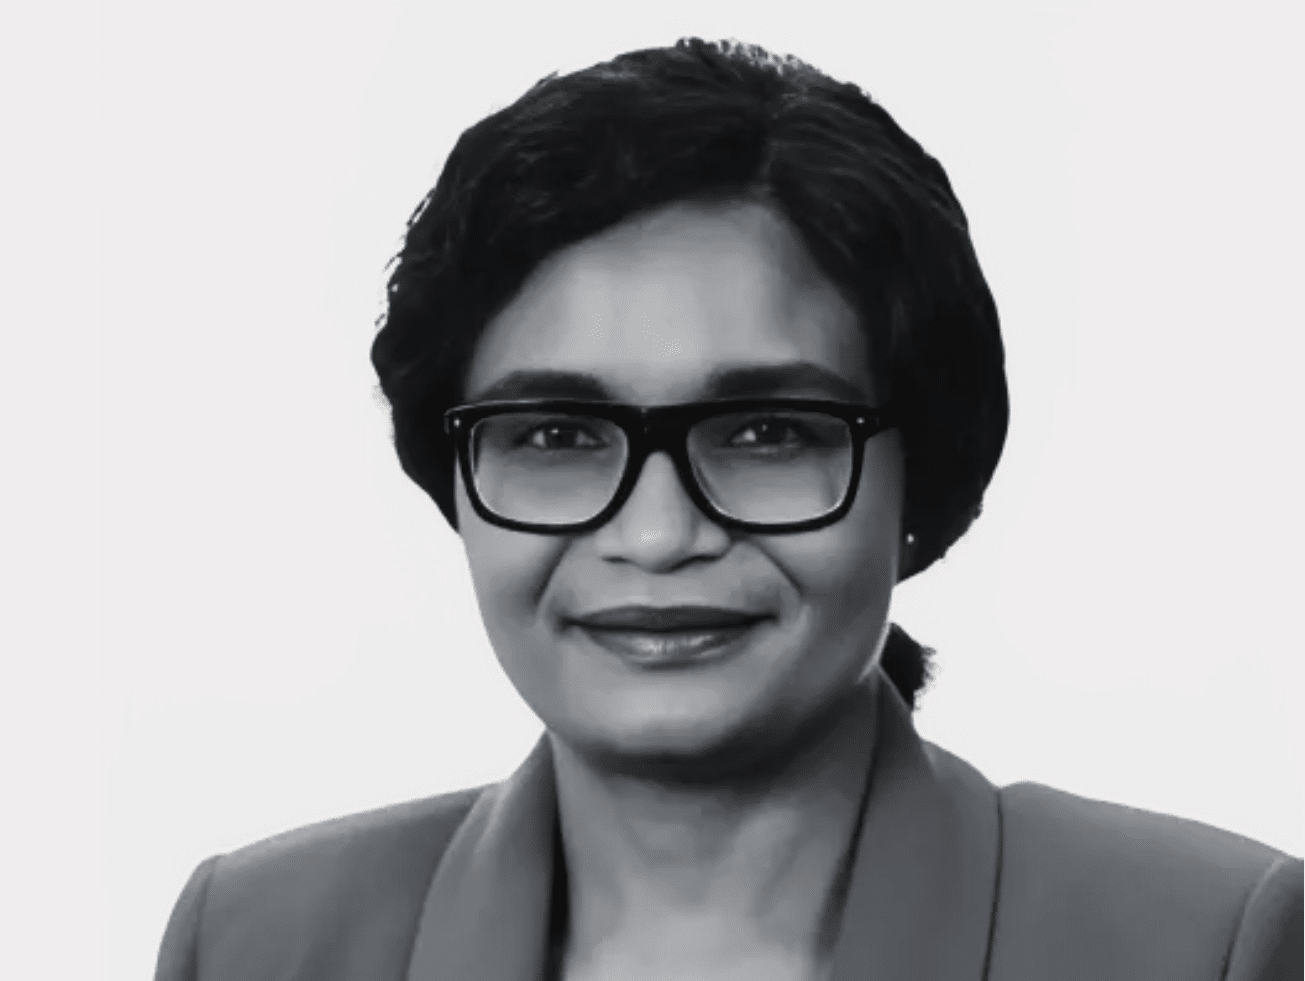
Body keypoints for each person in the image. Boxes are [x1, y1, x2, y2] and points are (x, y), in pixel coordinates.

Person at [154, 37, 1302, 981]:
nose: (657, 536)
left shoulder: (1202, 941)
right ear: (456, 480)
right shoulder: (260, 941)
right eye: (554, 436)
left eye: (766, 434)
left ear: (923, 474)